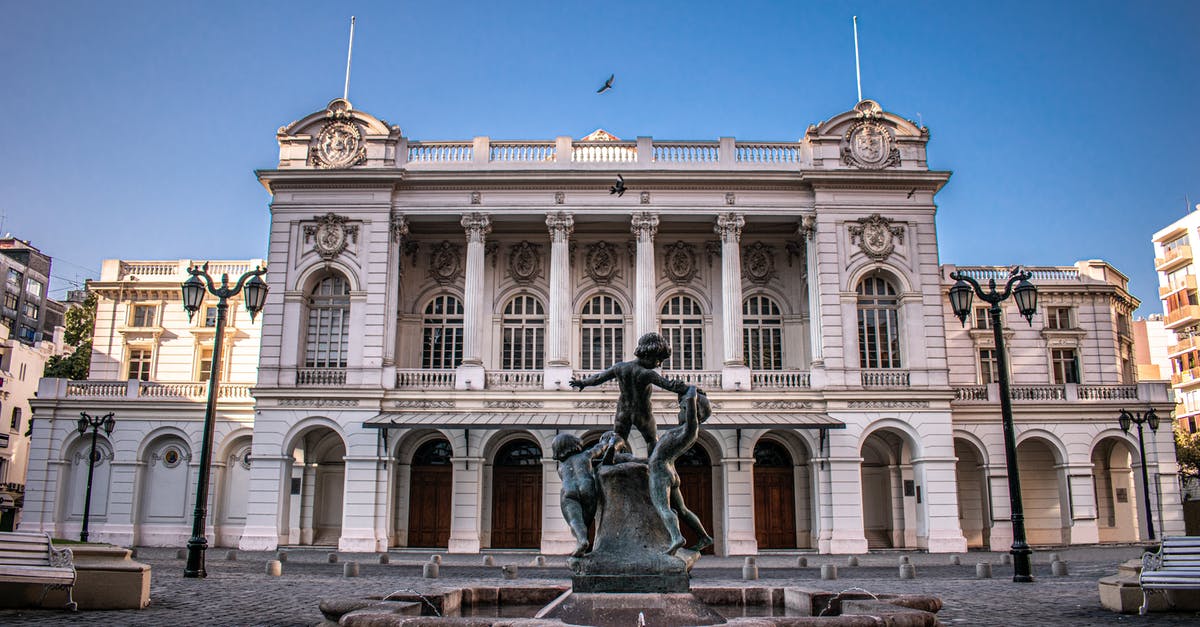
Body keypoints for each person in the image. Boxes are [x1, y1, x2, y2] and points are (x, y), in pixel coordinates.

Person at [569, 332, 687, 455]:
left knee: (619, 436)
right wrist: (690, 389)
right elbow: (670, 385)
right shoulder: (647, 374)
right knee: (651, 439)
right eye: (658, 360)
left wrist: (582, 383)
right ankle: (654, 464)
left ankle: (613, 448)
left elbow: (598, 378)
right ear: (648, 355)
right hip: (642, 412)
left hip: (623, 411)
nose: (660, 364)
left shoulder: (620, 367)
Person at [648, 385, 714, 554]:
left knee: (663, 508)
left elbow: (691, 403)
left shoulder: (690, 428)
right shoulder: (682, 429)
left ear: (690, 410)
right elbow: (686, 400)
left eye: (682, 408)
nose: (679, 411)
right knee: (683, 510)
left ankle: (677, 538)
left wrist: (691, 390)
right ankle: (704, 537)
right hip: (670, 470)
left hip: (660, 471)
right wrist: (679, 390)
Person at [551, 431, 625, 557]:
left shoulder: (561, 467)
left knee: (575, 521)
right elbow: (599, 448)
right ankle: (587, 540)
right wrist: (610, 442)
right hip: (587, 487)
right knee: (586, 520)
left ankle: (581, 540)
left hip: (568, 492)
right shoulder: (585, 455)